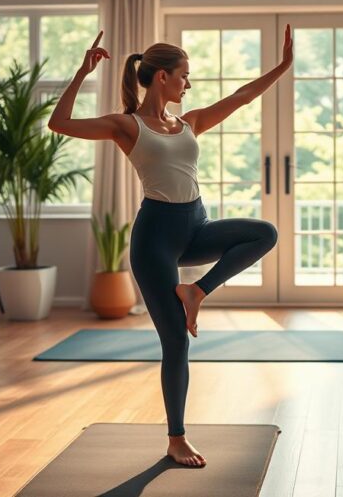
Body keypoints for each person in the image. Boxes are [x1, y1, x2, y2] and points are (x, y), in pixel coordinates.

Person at [48, 25, 293, 467]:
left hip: (195, 226)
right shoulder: (126, 125)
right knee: (176, 341)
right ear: (162, 77)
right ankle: (176, 437)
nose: (189, 83)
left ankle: (197, 289)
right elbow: (59, 123)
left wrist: (282, 67)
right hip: (155, 239)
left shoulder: (189, 122)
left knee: (264, 233)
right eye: (184, 75)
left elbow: (241, 97)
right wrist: (82, 73)